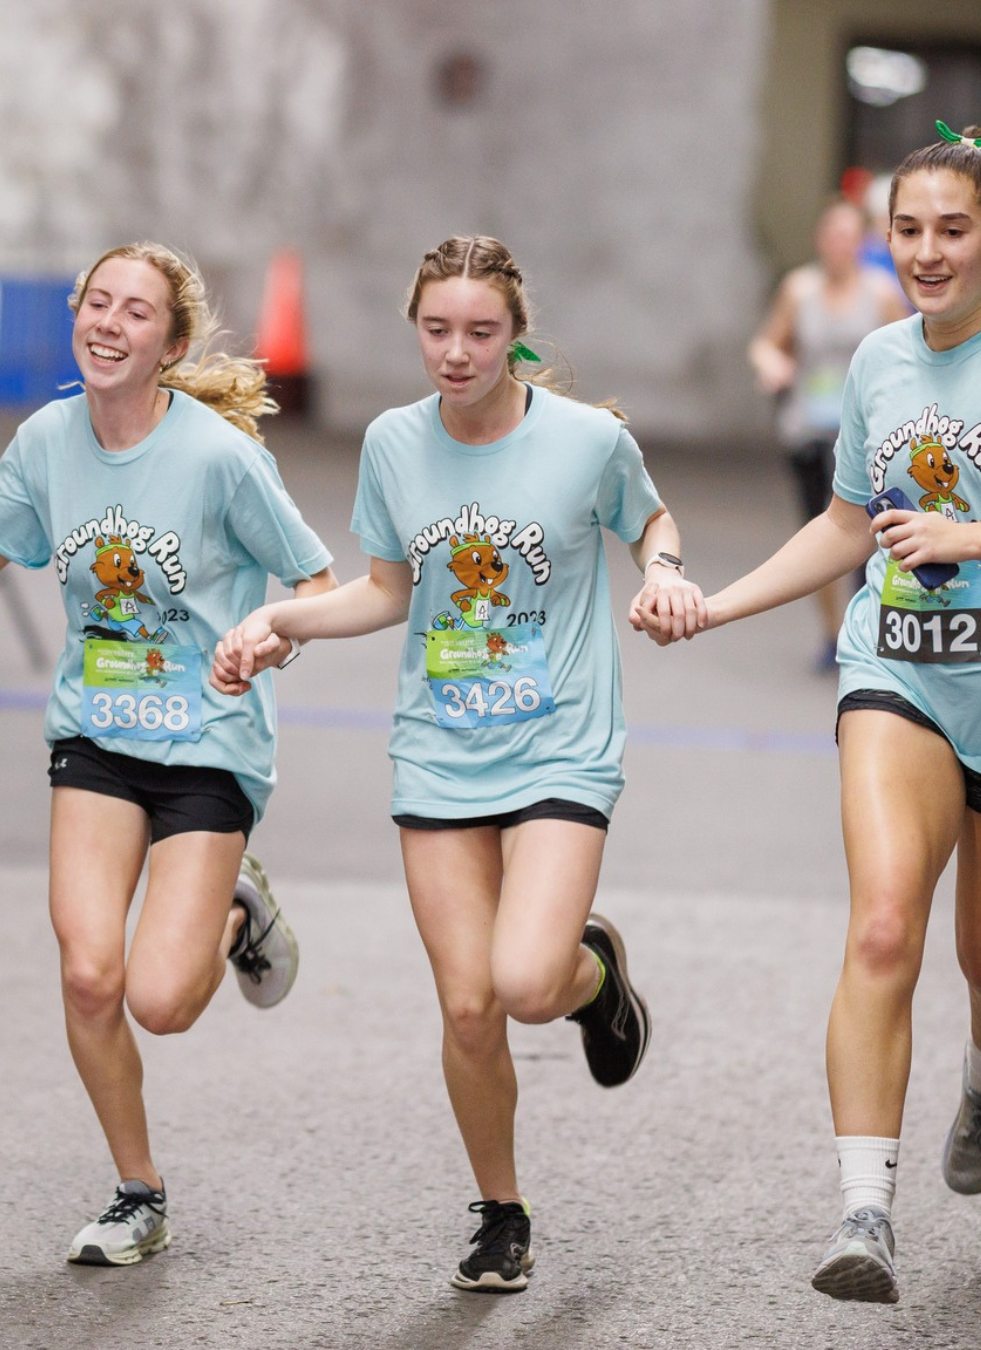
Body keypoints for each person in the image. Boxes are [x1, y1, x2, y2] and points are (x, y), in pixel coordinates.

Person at [641, 123, 981, 1304]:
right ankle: (864, 1213)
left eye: (953, 231)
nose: (927, 252)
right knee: (883, 927)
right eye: (909, 230)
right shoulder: (878, 362)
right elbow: (844, 525)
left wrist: (974, 534)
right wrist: (718, 606)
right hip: (901, 670)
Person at [216, 235, 700, 1293]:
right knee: (471, 1006)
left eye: (480, 332)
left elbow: (649, 518)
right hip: (441, 748)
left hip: (562, 738)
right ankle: (501, 1211)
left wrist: (664, 570)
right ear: (416, 328)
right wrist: (281, 620)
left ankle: (593, 978)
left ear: (517, 336)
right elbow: (386, 589)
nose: (456, 351)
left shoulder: (586, 440)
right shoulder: (394, 443)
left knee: (528, 982)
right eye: (437, 329)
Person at [0, 242, 334, 1266]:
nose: (109, 323)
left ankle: (236, 907)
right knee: (90, 976)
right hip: (94, 734)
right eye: (98, 302)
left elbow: (314, 585)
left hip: (208, 745)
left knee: (161, 1001)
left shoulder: (221, 459)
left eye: (136, 313)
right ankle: (138, 1189)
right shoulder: (48, 440)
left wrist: (268, 635)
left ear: (171, 344)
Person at [750, 199, 911, 658]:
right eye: (831, 236)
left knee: (870, 532)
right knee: (818, 528)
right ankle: (831, 631)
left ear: (860, 243)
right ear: (821, 241)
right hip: (808, 426)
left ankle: (871, 625)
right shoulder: (799, 289)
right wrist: (772, 363)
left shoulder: (880, 291)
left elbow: (909, 353)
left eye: (847, 237)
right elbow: (767, 342)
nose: (838, 246)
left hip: (866, 433)